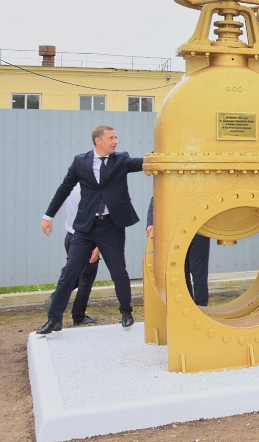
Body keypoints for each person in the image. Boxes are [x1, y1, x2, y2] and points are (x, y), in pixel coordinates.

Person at [37, 125, 144, 334]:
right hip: (86, 227)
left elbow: (142, 163)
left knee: (118, 272)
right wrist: (48, 216)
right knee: (69, 273)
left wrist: (163, 156)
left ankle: (126, 312)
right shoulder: (81, 161)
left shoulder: (121, 160)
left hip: (111, 226)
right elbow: (64, 188)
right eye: (111, 138)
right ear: (98, 140)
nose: (115, 141)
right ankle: (54, 320)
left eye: (116, 137)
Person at [47, 184, 101, 326]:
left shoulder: (72, 188)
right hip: (86, 239)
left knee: (73, 275)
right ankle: (78, 316)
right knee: (85, 280)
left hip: (71, 236)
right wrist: (97, 246)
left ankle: (56, 298)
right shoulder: (92, 192)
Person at [146, 197, 211, 307]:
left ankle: (201, 308)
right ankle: (186, 306)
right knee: (180, 270)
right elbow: (157, 197)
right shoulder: (170, 180)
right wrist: (151, 223)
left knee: (198, 271)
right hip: (175, 228)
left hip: (199, 227)